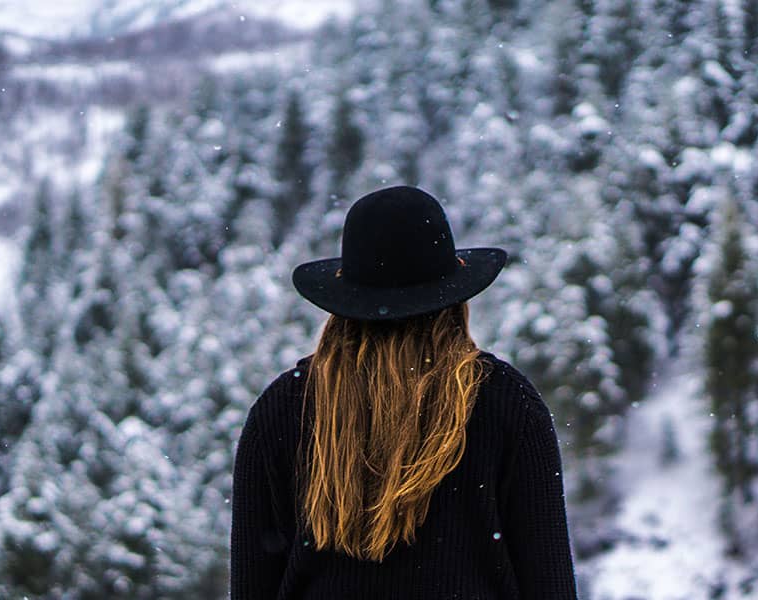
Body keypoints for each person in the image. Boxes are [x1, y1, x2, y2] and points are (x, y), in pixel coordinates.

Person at [230, 185, 577, 599]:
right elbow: (550, 583)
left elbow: (252, 585)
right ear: (455, 299)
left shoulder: (282, 410)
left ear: (345, 302)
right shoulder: (506, 403)